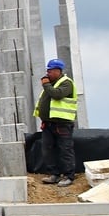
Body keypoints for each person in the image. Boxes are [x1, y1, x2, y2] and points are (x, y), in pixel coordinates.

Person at [34, 58, 78, 188]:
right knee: (47, 150)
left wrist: (46, 85)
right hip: (48, 124)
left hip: (62, 124)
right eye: (48, 70)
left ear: (59, 71)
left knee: (65, 150)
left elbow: (57, 95)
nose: (48, 73)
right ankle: (54, 174)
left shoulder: (66, 83)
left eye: (51, 71)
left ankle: (68, 176)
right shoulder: (50, 85)